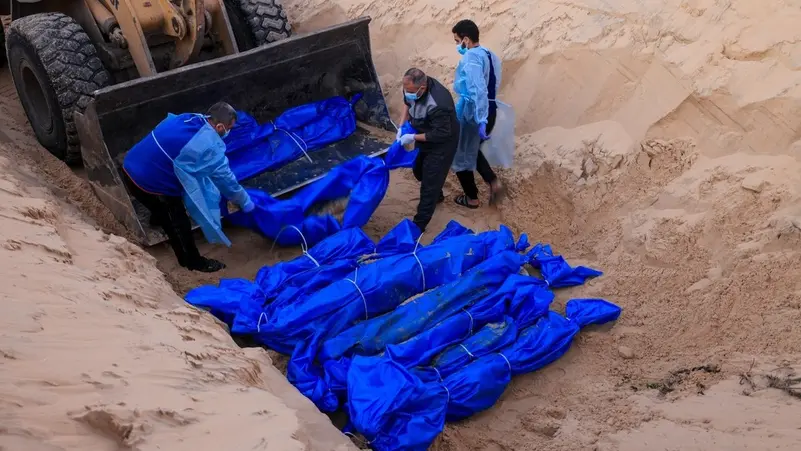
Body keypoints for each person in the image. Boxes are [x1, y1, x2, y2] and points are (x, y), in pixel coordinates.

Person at [122, 101, 255, 273]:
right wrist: (245, 202)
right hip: (148, 183)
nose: (228, 132)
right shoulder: (207, 145)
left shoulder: (188, 118)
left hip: (129, 165)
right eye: (229, 128)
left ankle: (158, 217)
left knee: (162, 208)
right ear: (220, 127)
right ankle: (192, 261)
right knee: (178, 222)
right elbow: (226, 180)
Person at [396, 68, 460, 233]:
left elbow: (440, 133)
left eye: (410, 91)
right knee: (418, 170)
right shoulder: (412, 89)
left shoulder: (439, 102)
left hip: (442, 142)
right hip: (423, 133)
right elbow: (407, 103)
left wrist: (412, 137)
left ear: (422, 88)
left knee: (429, 185)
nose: (407, 93)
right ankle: (437, 193)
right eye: (406, 90)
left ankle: (418, 226)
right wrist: (401, 126)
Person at [451, 19, 506, 209]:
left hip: (475, 111)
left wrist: (480, 118)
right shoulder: (489, 54)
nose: (457, 45)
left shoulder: (471, 57)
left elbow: (478, 89)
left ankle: (472, 197)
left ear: (466, 39)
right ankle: (493, 183)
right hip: (491, 107)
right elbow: (493, 84)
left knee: (461, 153)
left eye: (457, 41)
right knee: (473, 150)